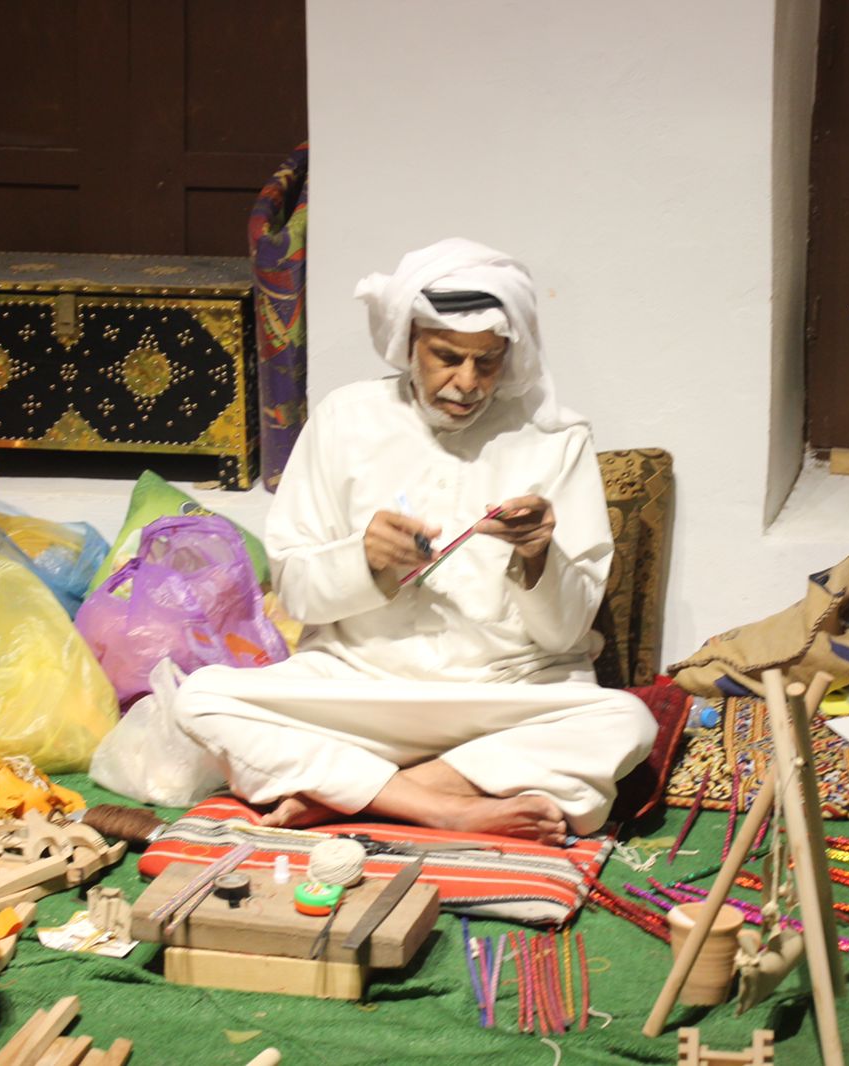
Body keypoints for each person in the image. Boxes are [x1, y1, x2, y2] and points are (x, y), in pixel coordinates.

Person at [174, 238, 656, 844]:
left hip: (504, 697)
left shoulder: (554, 438)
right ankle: (446, 806)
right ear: (408, 343)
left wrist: (537, 557)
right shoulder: (345, 419)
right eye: (446, 357)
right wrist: (365, 561)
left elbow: (563, 635)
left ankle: (370, 792)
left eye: (488, 362)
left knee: (625, 721)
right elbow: (296, 596)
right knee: (202, 698)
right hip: (361, 689)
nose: (467, 382)